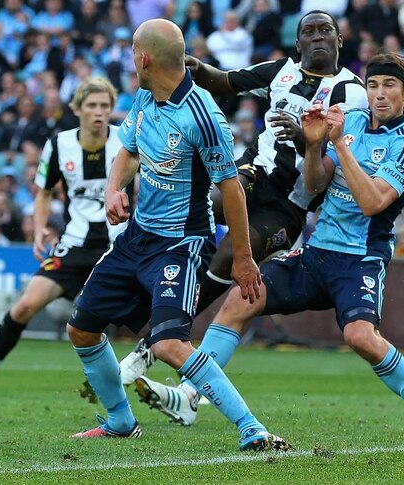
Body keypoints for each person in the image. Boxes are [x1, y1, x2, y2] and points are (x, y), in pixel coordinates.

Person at [136, 53, 404, 439]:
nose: (379, 94)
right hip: (317, 252)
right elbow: (318, 183)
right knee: (242, 297)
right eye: (373, 86)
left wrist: (338, 143)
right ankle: (189, 395)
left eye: (389, 86)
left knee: (359, 337)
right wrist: (316, 147)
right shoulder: (350, 121)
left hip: (360, 259)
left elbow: (372, 203)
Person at [64, 19, 289, 452]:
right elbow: (128, 150)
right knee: (81, 329)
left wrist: (243, 258)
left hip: (181, 244)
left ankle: (252, 428)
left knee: (169, 343)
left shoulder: (203, 115)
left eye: (132, 50)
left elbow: (232, 190)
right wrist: (114, 190)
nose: (131, 57)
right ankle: (119, 421)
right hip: (136, 238)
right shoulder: (146, 97)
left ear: (144, 58)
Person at [119, 10, 368, 386]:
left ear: (339, 40)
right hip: (252, 175)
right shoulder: (279, 71)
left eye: (326, 30)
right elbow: (224, 81)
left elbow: (334, 161)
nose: (318, 37)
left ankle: (154, 341)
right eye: (309, 32)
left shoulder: (353, 92)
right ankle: (163, 274)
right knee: (204, 205)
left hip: (290, 204)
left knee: (237, 253)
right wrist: (193, 66)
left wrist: (304, 138)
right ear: (297, 43)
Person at [0, 78, 126, 397]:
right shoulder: (59, 144)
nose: (98, 112)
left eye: (105, 106)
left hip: (116, 245)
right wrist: (39, 228)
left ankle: (177, 384)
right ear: (77, 108)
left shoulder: (124, 140)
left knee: (130, 315)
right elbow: (44, 192)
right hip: (73, 244)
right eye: (91, 105)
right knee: (25, 306)